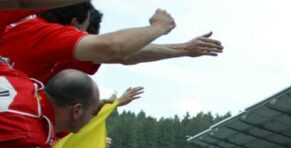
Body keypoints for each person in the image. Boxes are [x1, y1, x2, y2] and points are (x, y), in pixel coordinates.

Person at [0, 3, 222, 84]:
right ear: (73, 23)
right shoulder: (43, 34)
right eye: (85, 30)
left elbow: (122, 55)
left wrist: (183, 49)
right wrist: (158, 28)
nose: (87, 36)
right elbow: (110, 46)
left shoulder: (29, 32)